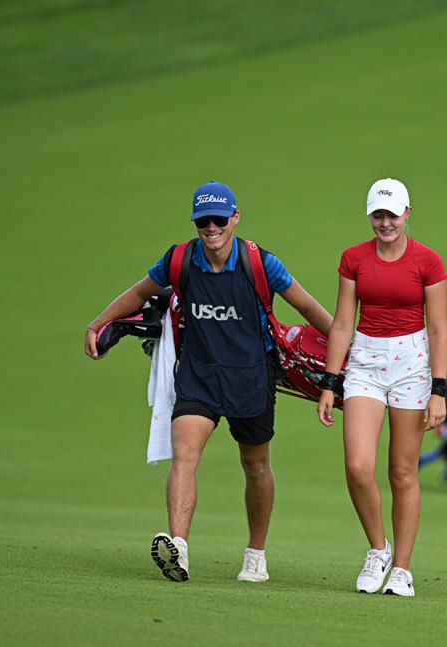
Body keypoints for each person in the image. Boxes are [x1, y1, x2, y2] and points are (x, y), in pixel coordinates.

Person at [85, 181, 333, 582]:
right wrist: (97, 324)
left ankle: (255, 555)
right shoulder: (179, 259)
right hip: (198, 376)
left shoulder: (260, 263)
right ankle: (179, 547)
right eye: (204, 221)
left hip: (251, 377)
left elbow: (306, 305)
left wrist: (348, 350)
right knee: (184, 454)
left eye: (219, 219)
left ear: (235, 218)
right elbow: (139, 292)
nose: (212, 228)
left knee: (255, 464)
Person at [317, 178, 447, 597]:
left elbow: (438, 329)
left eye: (392, 214)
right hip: (365, 363)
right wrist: (329, 382)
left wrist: (439, 389)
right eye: (378, 215)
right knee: (358, 466)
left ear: (407, 214)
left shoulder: (428, 261)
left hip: (412, 364)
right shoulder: (353, 258)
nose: (385, 222)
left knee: (402, 471)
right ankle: (378, 549)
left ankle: (402, 569)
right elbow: (343, 323)